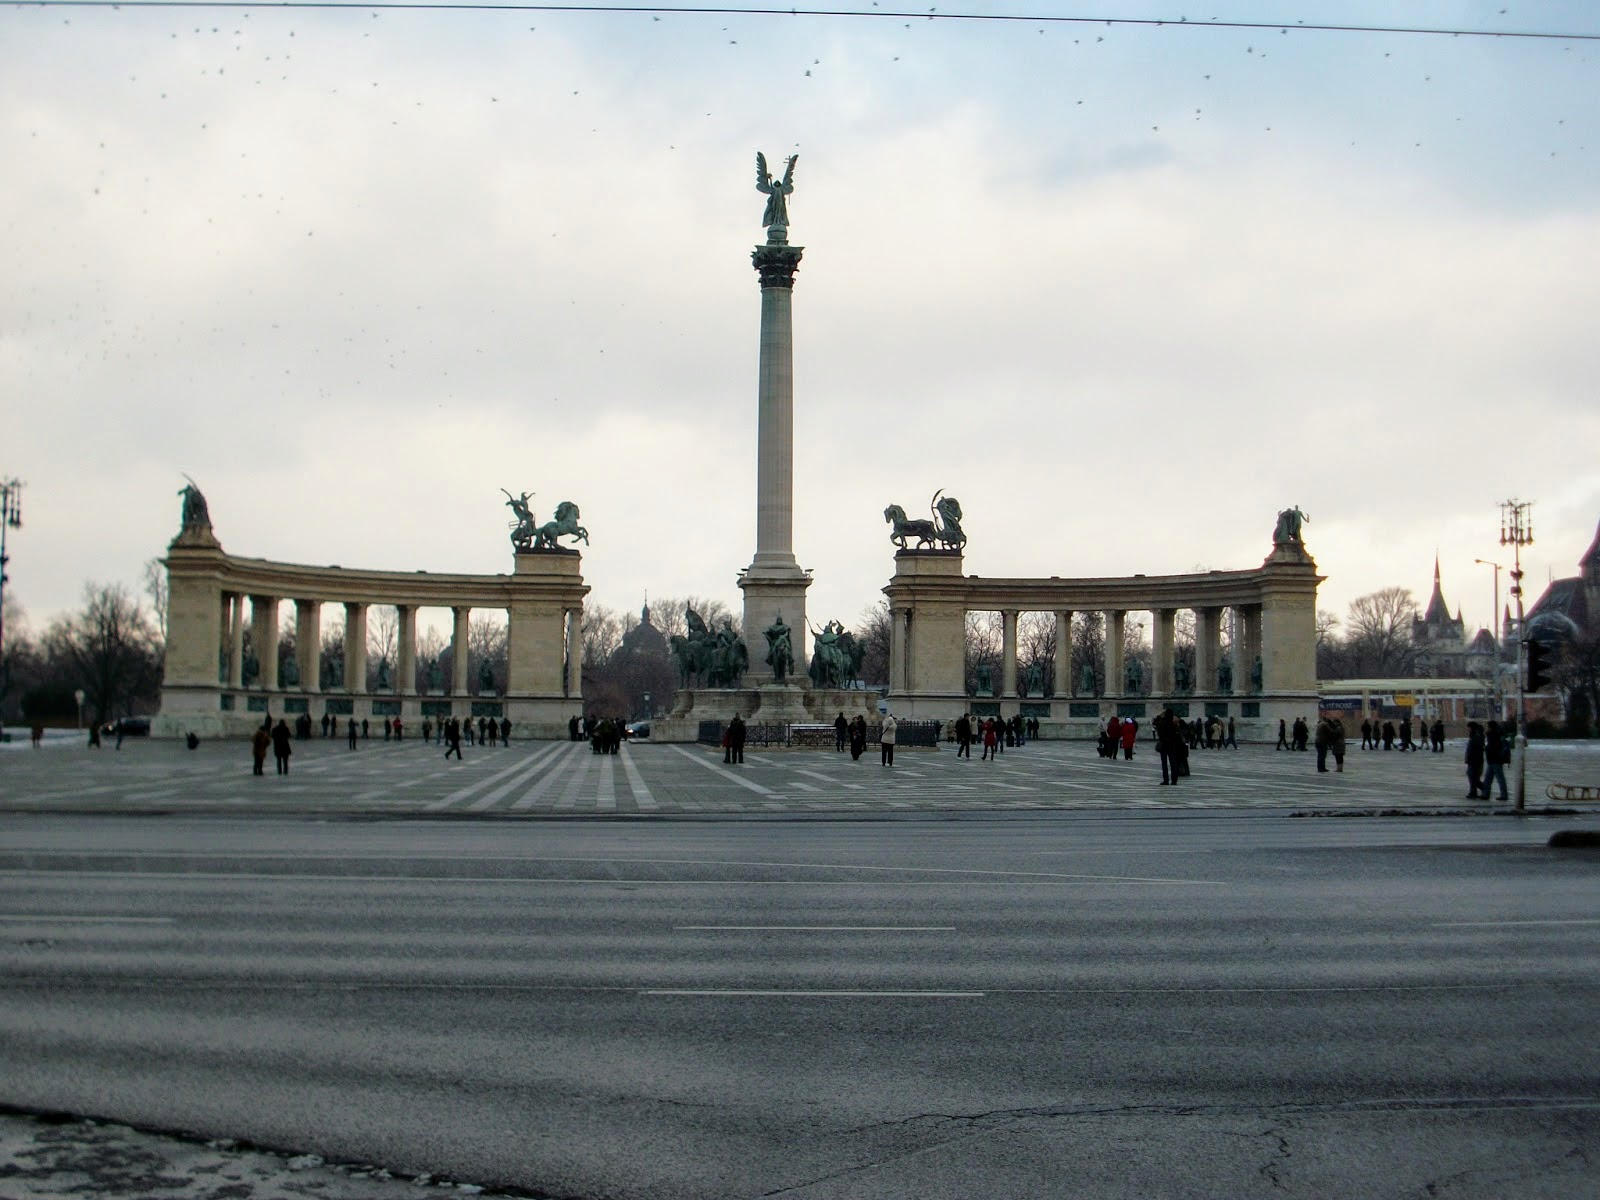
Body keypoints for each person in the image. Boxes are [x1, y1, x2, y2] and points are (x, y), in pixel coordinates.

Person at [1483, 719, 1510, 802]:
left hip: (1496, 760)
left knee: (1499, 778)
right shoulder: (1493, 735)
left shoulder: (1494, 735)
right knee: (1488, 778)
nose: (1486, 728)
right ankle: (1485, 793)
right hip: (1492, 760)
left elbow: (1494, 748)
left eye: (1487, 726)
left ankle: (1503, 794)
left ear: (1490, 727)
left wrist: (1486, 748)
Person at [1464, 721, 1486, 798]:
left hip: (1475, 761)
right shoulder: (1474, 736)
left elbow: (1475, 750)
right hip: (1473, 760)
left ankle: (1482, 789)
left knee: (1474, 778)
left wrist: (1471, 759)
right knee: (1472, 777)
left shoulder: (1476, 736)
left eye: (1468, 727)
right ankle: (1474, 792)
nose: (1468, 729)